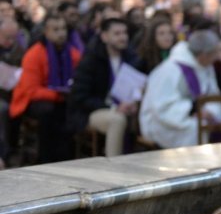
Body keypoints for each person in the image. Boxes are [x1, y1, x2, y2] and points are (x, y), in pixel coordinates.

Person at [66, 17, 142, 157]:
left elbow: (137, 86)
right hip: (94, 110)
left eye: (125, 33)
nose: (123, 37)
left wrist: (134, 102)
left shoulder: (132, 58)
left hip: (126, 106)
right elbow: (80, 97)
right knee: (117, 119)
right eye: (117, 33)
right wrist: (113, 107)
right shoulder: (91, 60)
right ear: (104, 36)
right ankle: (114, 166)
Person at [11, 13, 80, 163]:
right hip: (34, 100)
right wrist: (57, 95)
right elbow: (31, 90)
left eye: (63, 29)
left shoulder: (72, 53)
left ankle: (68, 157)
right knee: (48, 110)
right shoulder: (34, 54)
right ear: (46, 32)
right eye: (55, 29)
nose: (61, 33)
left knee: (71, 110)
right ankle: (46, 158)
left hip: (62, 98)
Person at [138, 30, 221, 148]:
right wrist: (193, 110)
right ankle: (190, 165)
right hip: (162, 121)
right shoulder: (170, 70)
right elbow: (162, 105)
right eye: (214, 53)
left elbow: (213, 94)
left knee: (203, 125)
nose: (216, 57)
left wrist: (210, 111)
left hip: (191, 116)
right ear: (204, 54)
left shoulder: (206, 66)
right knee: (195, 129)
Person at [0, 18, 27, 167]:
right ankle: (4, 153)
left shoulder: (19, 49)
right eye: (6, 37)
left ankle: (13, 151)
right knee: (3, 109)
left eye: (13, 37)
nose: (11, 41)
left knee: (18, 109)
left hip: (15, 92)